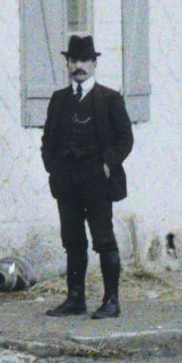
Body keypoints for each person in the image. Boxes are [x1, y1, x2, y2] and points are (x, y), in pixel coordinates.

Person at [40, 34, 134, 319]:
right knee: (72, 240)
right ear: (67, 64)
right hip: (66, 180)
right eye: (73, 60)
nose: (78, 66)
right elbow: (48, 139)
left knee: (103, 238)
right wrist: (53, 167)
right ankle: (75, 298)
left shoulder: (110, 99)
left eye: (84, 60)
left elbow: (125, 139)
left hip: (97, 179)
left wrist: (107, 164)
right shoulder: (58, 99)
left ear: (94, 64)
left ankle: (111, 301)